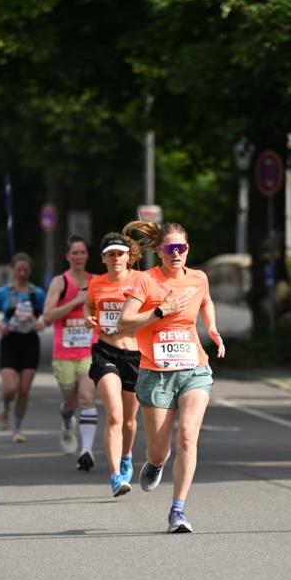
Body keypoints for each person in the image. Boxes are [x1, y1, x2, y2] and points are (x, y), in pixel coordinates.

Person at [118, 220, 225, 533]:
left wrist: (213, 328)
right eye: (170, 248)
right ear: (159, 251)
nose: (176, 253)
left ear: (187, 249)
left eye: (181, 248)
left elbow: (205, 300)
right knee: (159, 449)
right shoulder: (147, 282)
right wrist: (160, 311)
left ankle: (178, 510)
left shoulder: (199, 278)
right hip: (156, 374)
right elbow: (124, 323)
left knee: (188, 435)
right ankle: (155, 464)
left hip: (194, 369)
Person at [85, 233, 142, 496]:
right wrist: (89, 320)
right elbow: (89, 307)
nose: (116, 258)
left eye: (120, 253)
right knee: (115, 415)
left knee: (130, 421)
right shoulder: (96, 283)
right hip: (105, 352)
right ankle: (115, 475)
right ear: (103, 258)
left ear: (128, 256)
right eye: (111, 254)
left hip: (135, 356)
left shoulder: (141, 281)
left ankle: (127, 455)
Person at [43, 235, 98, 471]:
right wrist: (75, 301)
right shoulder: (60, 282)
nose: (78, 257)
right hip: (64, 353)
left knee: (87, 397)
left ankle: (86, 451)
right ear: (67, 256)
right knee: (70, 402)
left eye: (82, 252)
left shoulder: (96, 281)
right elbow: (48, 316)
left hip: (89, 350)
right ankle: (67, 421)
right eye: (74, 253)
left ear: (87, 255)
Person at [0, 252, 46, 442]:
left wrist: (42, 323)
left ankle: (18, 427)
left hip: (30, 342)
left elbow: (48, 314)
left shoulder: (36, 293)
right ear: (13, 270)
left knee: (23, 390)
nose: (22, 273)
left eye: (25, 270)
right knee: (10, 388)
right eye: (18, 269)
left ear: (30, 271)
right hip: (10, 341)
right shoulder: (3, 292)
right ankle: (4, 407)